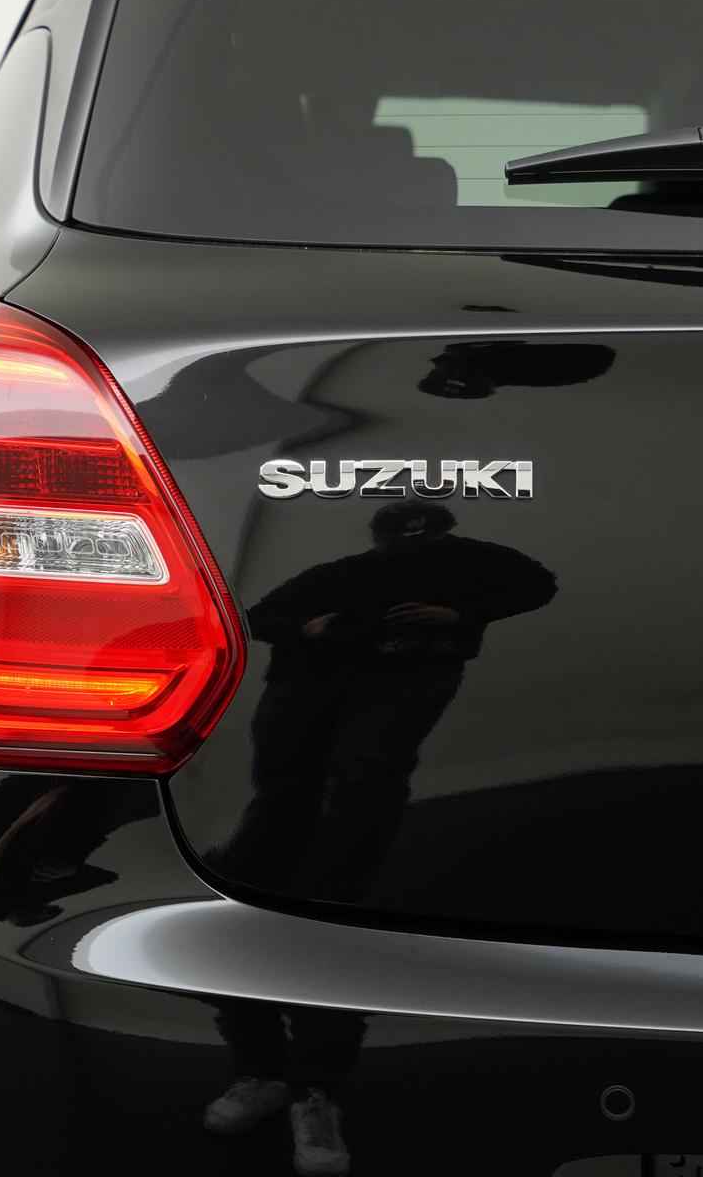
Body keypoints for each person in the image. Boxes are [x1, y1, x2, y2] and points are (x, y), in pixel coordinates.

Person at [201, 499, 557, 1174]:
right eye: (403, 542)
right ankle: (264, 1073)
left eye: (427, 541)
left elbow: (537, 584)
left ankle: (314, 1091)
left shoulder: (473, 567)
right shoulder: (343, 575)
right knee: (244, 912)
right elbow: (256, 618)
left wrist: (460, 614)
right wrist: (312, 627)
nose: (414, 553)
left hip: (361, 803)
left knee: (337, 920)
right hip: (288, 782)